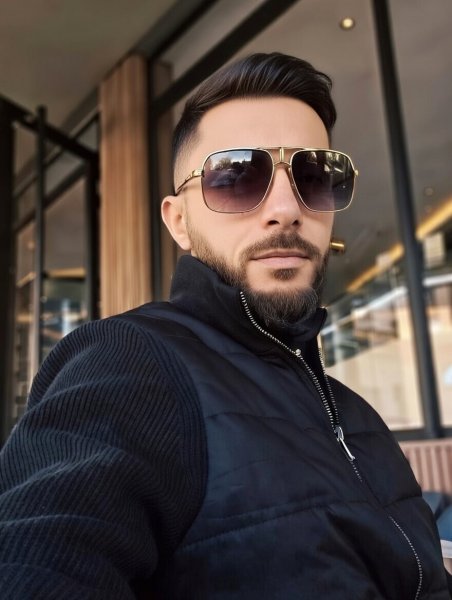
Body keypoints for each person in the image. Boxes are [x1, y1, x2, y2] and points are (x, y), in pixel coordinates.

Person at [0, 52, 450, 599]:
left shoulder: (356, 413)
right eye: (235, 177)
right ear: (179, 222)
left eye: (312, 176)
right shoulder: (134, 361)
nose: (286, 208)